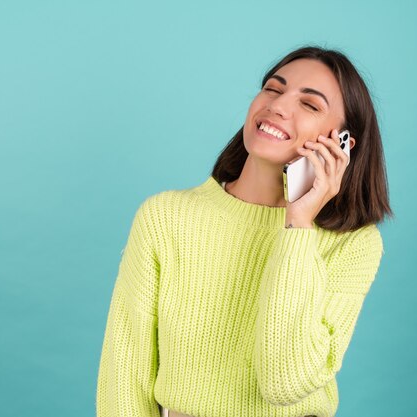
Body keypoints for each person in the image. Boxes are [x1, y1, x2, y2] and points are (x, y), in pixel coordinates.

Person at [95, 45, 392, 417]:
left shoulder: (353, 244)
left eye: (310, 105)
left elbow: (285, 382)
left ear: (343, 144)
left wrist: (298, 225)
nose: (278, 106)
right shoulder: (166, 217)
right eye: (273, 88)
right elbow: (124, 373)